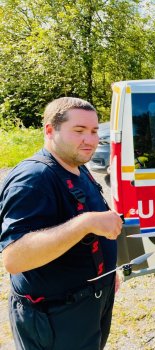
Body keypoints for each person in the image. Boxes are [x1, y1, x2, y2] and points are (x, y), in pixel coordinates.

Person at [0, 97, 123, 349]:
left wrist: (106, 273)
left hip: (90, 303)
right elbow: (14, 258)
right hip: (55, 317)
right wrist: (85, 223)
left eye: (94, 131)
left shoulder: (78, 166)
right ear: (49, 130)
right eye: (79, 131)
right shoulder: (34, 178)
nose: (90, 140)